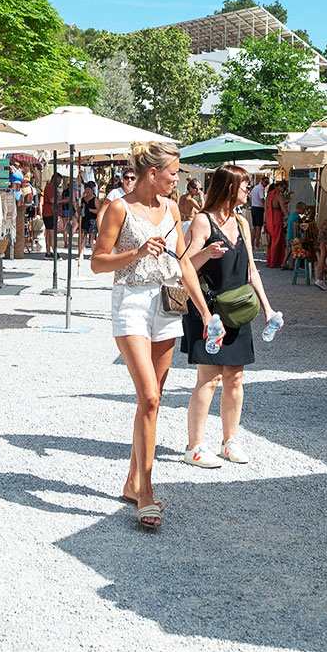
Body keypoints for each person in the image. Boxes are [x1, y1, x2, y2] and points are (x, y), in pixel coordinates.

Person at [91, 141, 215, 532]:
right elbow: (97, 262)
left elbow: (182, 264)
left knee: (154, 400)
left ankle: (131, 481)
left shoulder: (173, 209)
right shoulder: (119, 208)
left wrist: (207, 313)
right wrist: (139, 251)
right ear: (152, 174)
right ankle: (146, 491)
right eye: (173, 173)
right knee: (148, 396)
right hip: (130, 301)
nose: (178, 179)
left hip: (168, 304)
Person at [179, 164, 279, 469]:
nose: (248, 190)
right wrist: (206, 254)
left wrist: (268, 308)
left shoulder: (243, 223)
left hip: (237, 310)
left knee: (235, 377)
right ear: (228, 187)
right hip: (209, 312)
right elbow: (184, 267)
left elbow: (251, 271)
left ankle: (229, 440)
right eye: (244, 185)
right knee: (208, 379)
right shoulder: (203, 221)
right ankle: (195, 446)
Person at [265, 180, 289, 269]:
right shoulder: (278, 196)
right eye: (284, 188)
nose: (284, 190)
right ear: (279, 186)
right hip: (276, 217)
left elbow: (265, 209)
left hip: (269, 217)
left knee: (271, 241)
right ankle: (275, 261)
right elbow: (283, 209)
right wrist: (291, 217)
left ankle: (270, 261)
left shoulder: (269, 195)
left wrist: (265, 221)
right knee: (277, 240)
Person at [77, 181, 100, 258]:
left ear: (92, 190)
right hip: (84, 219)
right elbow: (78, 210)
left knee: (92, 237)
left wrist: (89, 210)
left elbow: (99, 210)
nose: (87, 191)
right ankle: (81, 253)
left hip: (92, 219)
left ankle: (94, 254)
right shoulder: (82, 199)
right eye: (86, 189)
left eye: (89, 189)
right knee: (82, 236)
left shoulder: (95, 199)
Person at [42, 173, 59, 258]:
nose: (59, 183)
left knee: (49, 232)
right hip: (49, 212)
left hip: (49, 212)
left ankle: (48, 251)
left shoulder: (51, 187)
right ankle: (54, 250)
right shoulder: (50, 187)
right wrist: (64, 200)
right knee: (51, 233)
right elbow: (52, 200)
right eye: (59, 181)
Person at [248, 173, 268, 240]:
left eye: (267, 183)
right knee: (258, 227)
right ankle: (256, 245)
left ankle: (253, 244)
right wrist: (265, 206)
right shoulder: (261, 188)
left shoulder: (255, 187)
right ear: (261, 181)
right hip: (259, 208)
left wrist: (253, 203)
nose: (266, 184)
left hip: (254, 207)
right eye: (265, 182)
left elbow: (250, 196)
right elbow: (262, 199)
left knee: (254, 227)